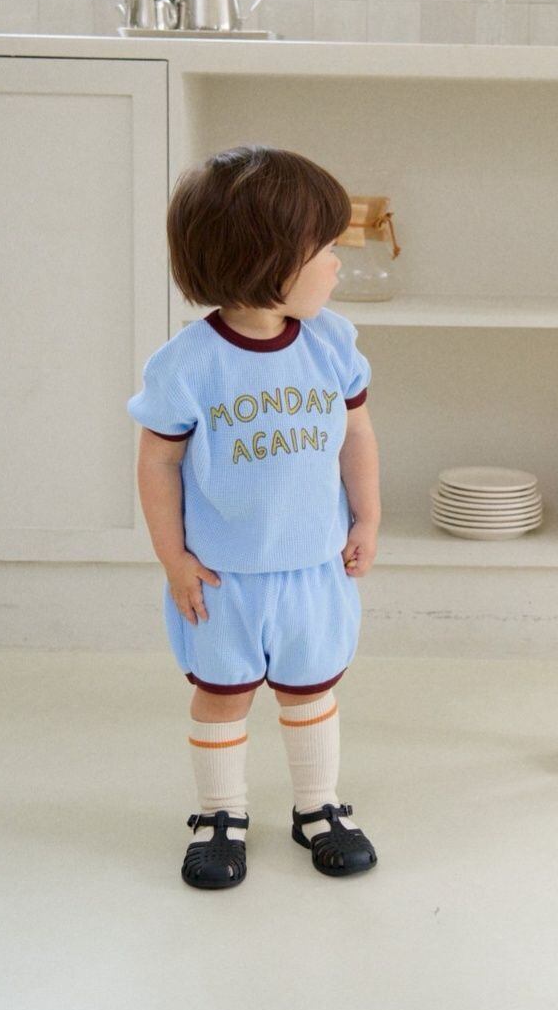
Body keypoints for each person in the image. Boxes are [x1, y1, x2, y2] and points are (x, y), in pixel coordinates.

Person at [128, 145, 381, 886]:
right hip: (223, 579)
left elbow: (356, 435)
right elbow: (158, 463)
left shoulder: (331, 345)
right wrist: (172, 558)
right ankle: (220, 814)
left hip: (313, 569)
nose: (337, 263)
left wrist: (367, 519)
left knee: (311, 689)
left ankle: (317, 805)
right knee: (223, 694)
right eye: (325, 249)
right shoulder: (189, 364)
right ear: (267, 260)